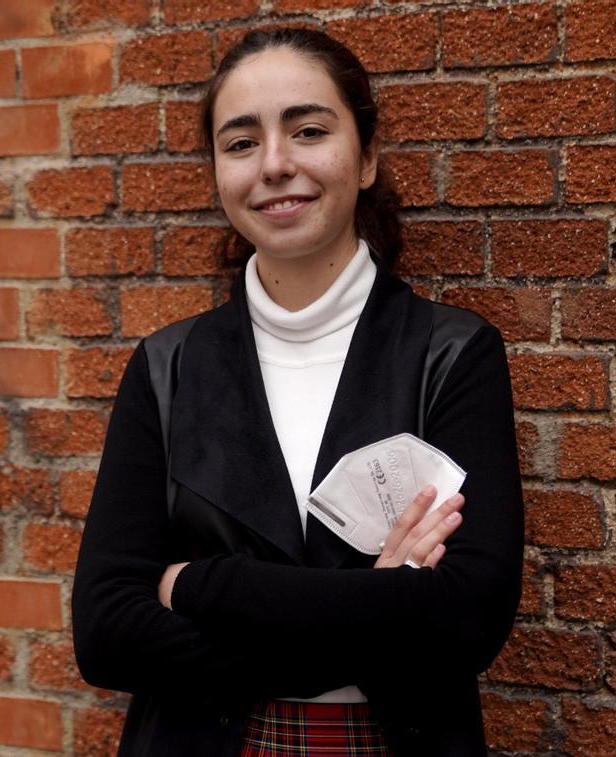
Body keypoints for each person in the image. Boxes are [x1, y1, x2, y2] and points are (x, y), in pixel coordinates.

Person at [73, 27, 523, 756]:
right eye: (242, 143)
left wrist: (200, 585)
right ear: (219, 171)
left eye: (308, 130)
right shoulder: (167, 366)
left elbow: (466, 621)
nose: (275, 165)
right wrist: (376, 603)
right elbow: (105, 633)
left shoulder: (451, 355)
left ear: (368, 155)